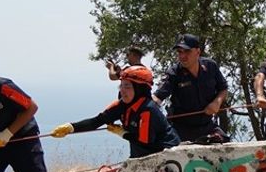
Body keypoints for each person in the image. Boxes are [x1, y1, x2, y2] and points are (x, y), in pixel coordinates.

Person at [50, 66, 180, 158]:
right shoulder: (121, 105)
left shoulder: (148, 110)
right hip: (141, 155)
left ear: (140, 89)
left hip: (165, 155)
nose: (122, 90)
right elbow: (97, 121)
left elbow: (145, 143)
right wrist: (71, 128)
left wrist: (123, 134)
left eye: (127, 86)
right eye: (121, 86)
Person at [155, 34, 229, 144]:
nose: (182, 56)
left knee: (228, 150)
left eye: (187, 51)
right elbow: (157, 98)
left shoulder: (211, 66)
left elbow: (223, 89)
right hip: (180, 130)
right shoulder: (173, 73)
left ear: (198, 52)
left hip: (207, 126)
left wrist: (216, 103)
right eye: (180, 52)